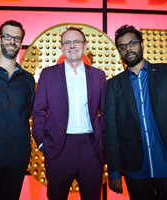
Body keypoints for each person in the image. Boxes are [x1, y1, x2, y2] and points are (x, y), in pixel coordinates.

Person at [32, 26, 106, 200]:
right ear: (62, 48)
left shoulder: (98, 75)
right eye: (67, 42)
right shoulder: (48, 74)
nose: (72, 45)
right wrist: (42, 143)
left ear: (85, 45)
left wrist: (103, 143)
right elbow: (38, 111)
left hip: (92, 148)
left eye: (76, 41)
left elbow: (105, 112)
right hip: (58, 147)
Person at [104, 24, 167, 200]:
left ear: (141, 44)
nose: (128, 49)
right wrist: (114, 171)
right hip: (135, 169)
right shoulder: (113, 85)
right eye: (122, 46)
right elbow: (110, 130)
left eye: (132, 43)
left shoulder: (165, 72)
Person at [0, 20, 35, 200]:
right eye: (7, 36)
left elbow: (27, 114)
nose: (12, 41)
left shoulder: (28, 80)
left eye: (17, 38)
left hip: (17, 159)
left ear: (21, 42)